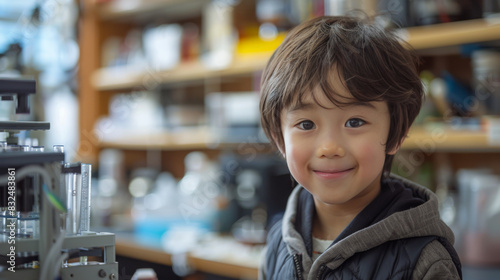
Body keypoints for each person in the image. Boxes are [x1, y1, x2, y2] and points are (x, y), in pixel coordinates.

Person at [258, 15, 462, 279]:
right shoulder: (278, 243)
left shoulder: (425, 261)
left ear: (396, 134)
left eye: (354, 122)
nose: (329, 147)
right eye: (306, 124)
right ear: (279, 138)